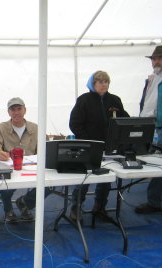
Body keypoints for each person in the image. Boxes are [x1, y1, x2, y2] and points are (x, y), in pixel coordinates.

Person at [69, 70, 129, 222]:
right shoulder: (84, 100)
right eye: (100, 82)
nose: (103, 84)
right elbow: (75, 124)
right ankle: (75, 209)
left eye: (106, 81)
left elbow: (124, 120)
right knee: (85, 178)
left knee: (106, 178)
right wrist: (88, 141)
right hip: (89, 147)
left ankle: (100, 207)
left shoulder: (115, 100)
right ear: (93, 84)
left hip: (109, 147)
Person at [0, 97, 51, 223]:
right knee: (3, 184)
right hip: (10, 170)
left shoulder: (36, 128)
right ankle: (8, 209)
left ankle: (24, 203)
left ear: (25, 110)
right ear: (8, 112)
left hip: (31, 169)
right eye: (13, 109)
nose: (16, 112)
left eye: (19, 109)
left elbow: (46, 148)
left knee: (49, 185)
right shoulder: (0, 128)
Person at [135, 46, 162, 214]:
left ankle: (154, 201)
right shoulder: (152, 79)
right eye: (153, 59)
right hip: (151, 126)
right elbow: (147, 103)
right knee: (156, 163)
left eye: (159, 58)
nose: (155, 61)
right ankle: (155, 200)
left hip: (158, 125)